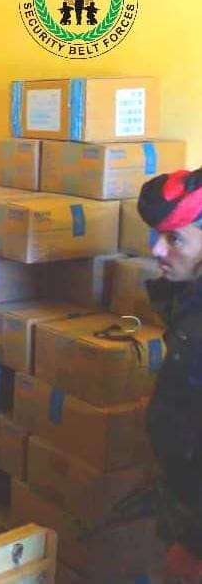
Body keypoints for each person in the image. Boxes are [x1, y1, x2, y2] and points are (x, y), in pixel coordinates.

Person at [138, 168, 202, 583]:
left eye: (175, 239)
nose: (157, 250)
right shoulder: (188, 305)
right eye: (157, 236)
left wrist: (194, 543)